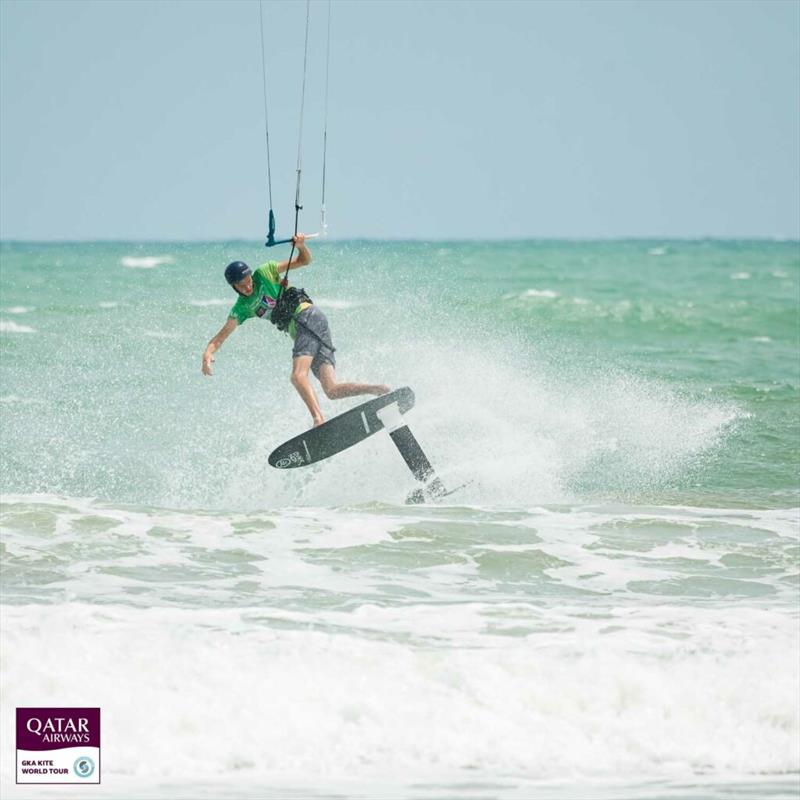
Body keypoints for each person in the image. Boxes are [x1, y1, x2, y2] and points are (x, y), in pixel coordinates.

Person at [202, 234, 389, 427]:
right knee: (331, 390)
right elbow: (221, 337)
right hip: (313, 326)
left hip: (306, 318)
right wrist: (208, 353)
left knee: (298, 376)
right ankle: (378, 389)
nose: (248, 286)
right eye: (242, 285)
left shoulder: (265, 273)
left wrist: (301, 246)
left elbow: (304, 260)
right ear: (234, 287)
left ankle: (318, 420)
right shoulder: (242, 307)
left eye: (248, 281)